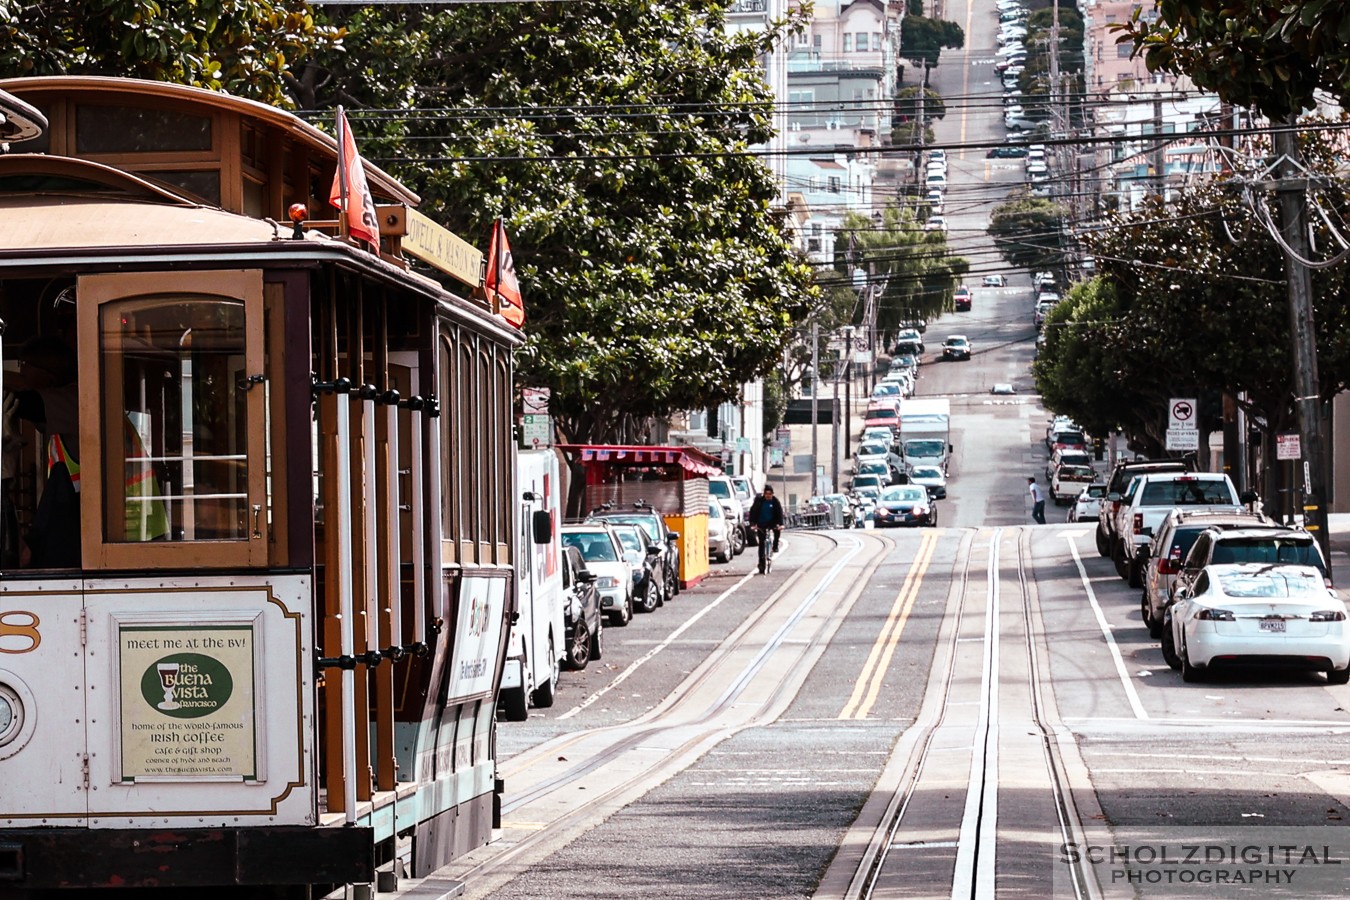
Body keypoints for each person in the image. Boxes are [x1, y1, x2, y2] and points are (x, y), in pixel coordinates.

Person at [747, 485, 785, 552]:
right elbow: (753, 512)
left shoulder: (775, 501)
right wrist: (752, 524)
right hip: (761, 523)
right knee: (761, 542)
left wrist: (781, 524)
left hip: (773, 522)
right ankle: (761, 561)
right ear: (764, 494)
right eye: (766, 494)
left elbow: (779, 512)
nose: (768, 496)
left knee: (777, 531)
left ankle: (775, 546)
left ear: (772, 494)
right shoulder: (759, 501)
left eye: (770, 494)